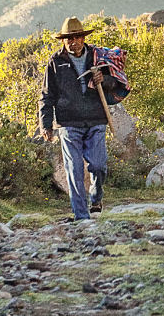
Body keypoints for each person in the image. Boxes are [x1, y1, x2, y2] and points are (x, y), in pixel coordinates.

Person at [39, 16, 121, 220]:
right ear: (63, 41)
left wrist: (105, 79)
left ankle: (96, 197)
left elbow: (116, 80)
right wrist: (45, 124)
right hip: (68, 123)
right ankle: (81, 217)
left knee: (98, 165)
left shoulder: (98, 56)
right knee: (73, 169)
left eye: (77, 37)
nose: (73, 41)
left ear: (83, 38)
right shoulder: (56, 61)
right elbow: (47, 95)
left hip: (96, 118)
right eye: (68, 38)